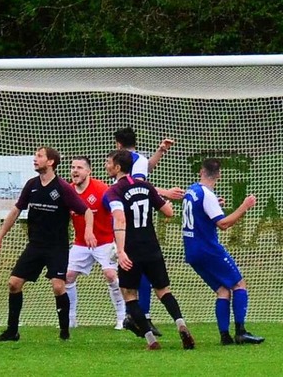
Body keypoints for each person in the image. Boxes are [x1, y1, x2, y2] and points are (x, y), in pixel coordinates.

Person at [0, 147, 94, 342]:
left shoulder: (63, 188)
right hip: (35, 246)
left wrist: (88, 231)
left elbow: (86, 211)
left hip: (57, 247)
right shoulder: (32, 185)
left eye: (39, 156)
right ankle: (12, 332)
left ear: (51, 162)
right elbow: (15, 211)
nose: (35, 159)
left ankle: (64, 332)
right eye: (35, 156)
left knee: (58, 287)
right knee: (13, 284)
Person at [104, 149, 195, 350]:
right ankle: (181, 324)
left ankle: (151, 340)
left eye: (108, 162)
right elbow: (169, 212)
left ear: (118, 167)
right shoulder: (146, 186)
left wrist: (120, 251)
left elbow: (119, 219)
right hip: (152, 247)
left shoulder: (114, 191)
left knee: (129, 295)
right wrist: (166, 202)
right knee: (163, 291)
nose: (106, 166)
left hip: (131, 249)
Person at [182, 158, 265, 345]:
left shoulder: (191, 190)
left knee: (222, 290)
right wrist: (245, 206)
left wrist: (214, 204)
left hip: (191, 251)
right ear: (219, 175)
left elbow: (199, 212)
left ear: (201, 172)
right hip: (207, 248)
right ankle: (241, 332)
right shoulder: (207, 195)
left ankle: (225, 336)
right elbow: (223, 224)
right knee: (239, 285)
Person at [114, 126, 185, 336]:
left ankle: (137, 317)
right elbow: (142, 183)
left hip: (124, 226)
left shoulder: (125, 165)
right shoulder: (139, 159)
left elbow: (139, 184)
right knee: (142, 276)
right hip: (141, 228)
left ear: (118, 144)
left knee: (129, 278)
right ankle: (140, 317)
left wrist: (160, 153)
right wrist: (165, 194)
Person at [65, 156, 125, 330]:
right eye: (72, 167)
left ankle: (122, 317)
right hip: (80, 244)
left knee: (110, 275)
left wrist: (117, 240)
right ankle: (71, 319)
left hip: (104, 241)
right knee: (67, 276)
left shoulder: (102, 190)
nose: (75, 171)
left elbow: (117, 213)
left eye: (79, 168)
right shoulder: (68, 191)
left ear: (88, 171)